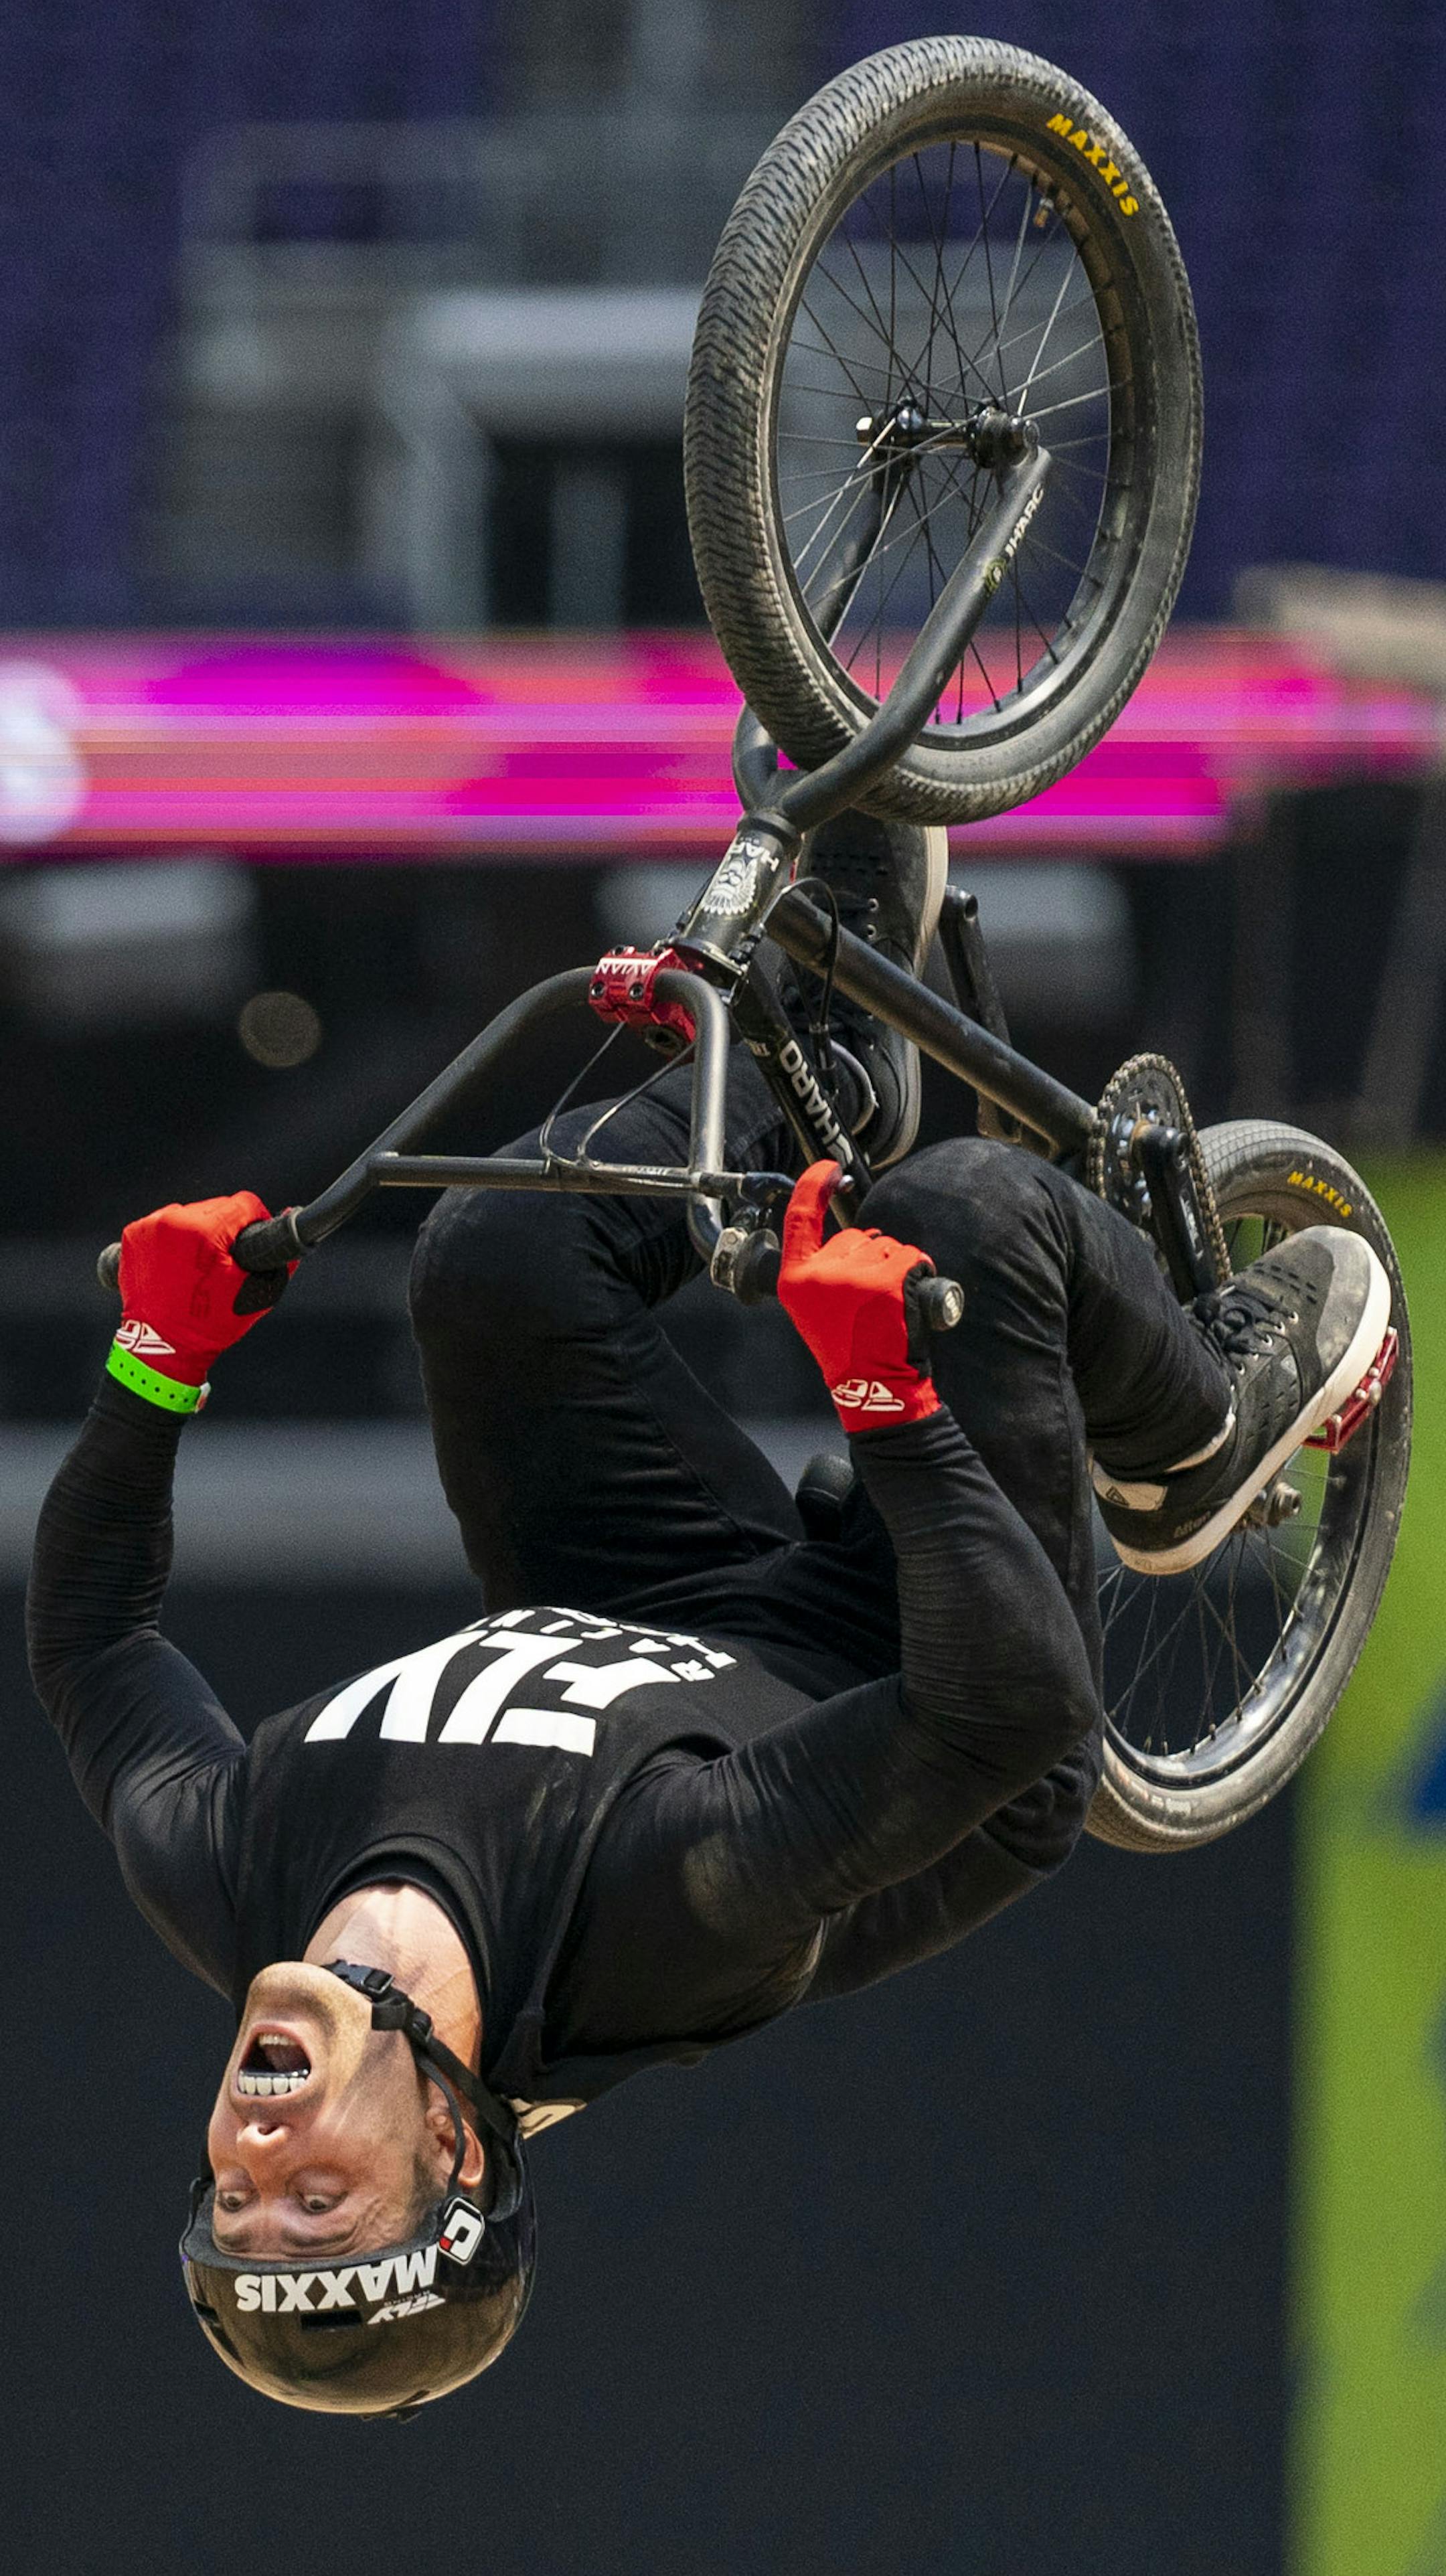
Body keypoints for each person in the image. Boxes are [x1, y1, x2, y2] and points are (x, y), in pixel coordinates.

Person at [25, 821, 1390, 2419]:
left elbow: (93, 1650)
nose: (257, 2163)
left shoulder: (230, 1871)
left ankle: (820, 1068)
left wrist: (151, 1367)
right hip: (936, 1681)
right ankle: (1206, 1424)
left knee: (494, 1259)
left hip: (641, 1596)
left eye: (236, 2209)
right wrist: (883, 1393)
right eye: (319, 2203)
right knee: (965, 1217)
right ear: (458, 2141)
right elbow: (1010, 1711)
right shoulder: (663, 1915)